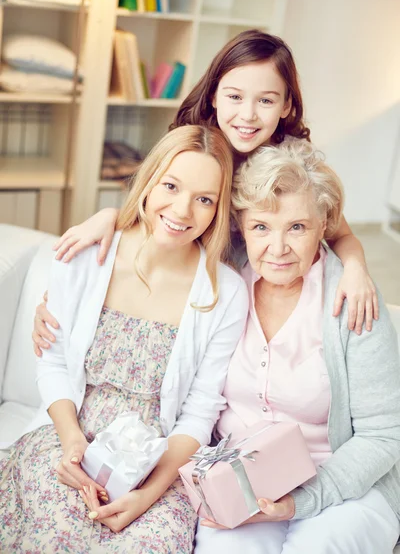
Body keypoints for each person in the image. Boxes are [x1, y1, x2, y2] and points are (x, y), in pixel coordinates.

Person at [32, 31, 378, 347]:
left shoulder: (295, 168)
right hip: (201, 294)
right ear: (214, 95)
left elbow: (341, 236)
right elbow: (157, 220)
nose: (248, 115)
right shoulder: (195, 150)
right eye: (235, 96)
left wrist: (357, 269)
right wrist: (110, 218)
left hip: (266, 292)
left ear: (287, 105)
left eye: (266, 101)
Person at [0, 126, 249, 554]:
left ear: (218, 209)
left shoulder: (225, 292)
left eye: (204, 199)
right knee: (57, 539)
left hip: (159, 465)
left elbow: (199, 411)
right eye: (171, 186)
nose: (182, 209)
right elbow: (53, 361)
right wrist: (72, 442)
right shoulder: (85, 255)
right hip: (68, 440)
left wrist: (146, 494)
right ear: (150, 181)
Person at [193, 138, 400, 554]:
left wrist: (300, 502)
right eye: (261, 227)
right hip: (240, 483)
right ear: (241, 227)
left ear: (325, 224)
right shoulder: (224, 283)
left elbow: (383, 434)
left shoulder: (353, 297)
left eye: (297, 227)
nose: (278, 248)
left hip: (344, 486)